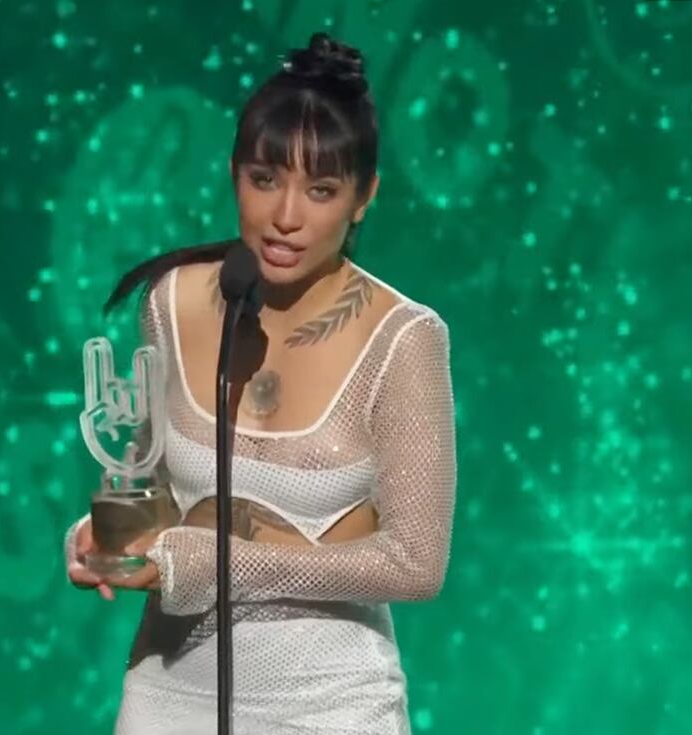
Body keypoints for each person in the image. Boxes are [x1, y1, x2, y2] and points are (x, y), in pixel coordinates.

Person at [63, 31, 457, 735]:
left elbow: (416, 562)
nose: (286, 216)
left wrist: (219, 565)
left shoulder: (404, 339)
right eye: (265, 179)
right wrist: (107, 534)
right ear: (233, 172)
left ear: (365, 197)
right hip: (168, 692)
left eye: (322, 190)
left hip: (330, 704)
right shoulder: (171, 303)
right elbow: (153, 481)